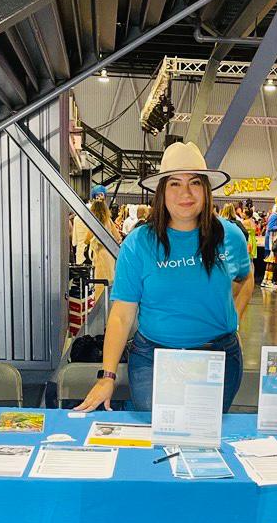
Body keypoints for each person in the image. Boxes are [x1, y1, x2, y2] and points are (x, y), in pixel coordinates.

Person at [78, 141, 254, 414]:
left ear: (206, 189)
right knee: (155, 439)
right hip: (153, 359)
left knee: (205, 443)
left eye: (195, 182)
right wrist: (107, 376)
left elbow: (245, 278)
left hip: (218, 357)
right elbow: (122, 315)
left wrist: (234, 321)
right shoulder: (139, 243)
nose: (185, 192)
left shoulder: (229, 236)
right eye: (174, 183)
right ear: (162, 191)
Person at [84, 199, 121, 297]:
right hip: (110, 253)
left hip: (100, 254)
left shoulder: (94, 222)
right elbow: (118, 237)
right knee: (110, 279)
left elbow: (86, 239)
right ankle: (109, 303)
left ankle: (100, 306)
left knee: (100, 282)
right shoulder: (108, 221)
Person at [261, 204, 277, 288]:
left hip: (271, 240)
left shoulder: (274, 216)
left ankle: (265, 280)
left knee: (269, 261)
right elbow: (270, 227)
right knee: (271, 261)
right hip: (271, 241)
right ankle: (268, 281)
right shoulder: (274, 216)